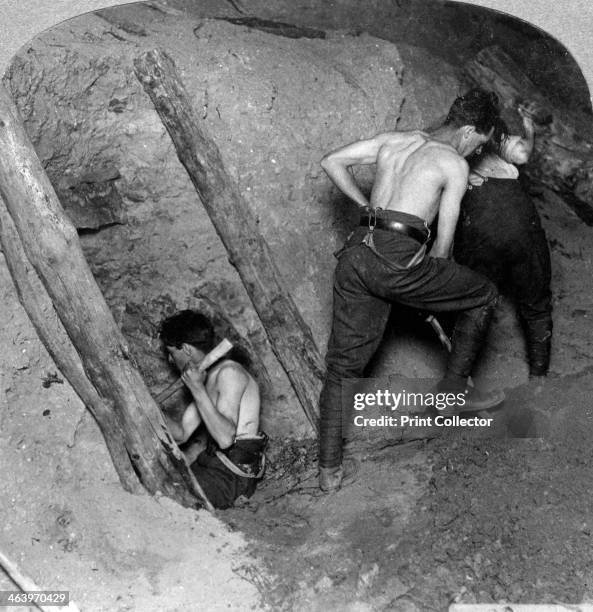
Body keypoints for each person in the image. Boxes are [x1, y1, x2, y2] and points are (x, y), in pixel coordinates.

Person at [318, 88, 505, 492]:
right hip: (399, 260)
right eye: (479, 142)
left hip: (356, 252)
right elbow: (442, 250)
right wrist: (430, 292)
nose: (475, 151)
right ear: (470, 130)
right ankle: (452, 397)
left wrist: (366, 208)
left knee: (342, 367)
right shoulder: (452, 163)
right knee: (485, 295)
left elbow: (331, 162)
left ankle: (328, 470)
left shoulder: (396, 140)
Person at [454, 104, 552, 378]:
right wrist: (529, 127)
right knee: (537, 303)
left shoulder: (454, 141)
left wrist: (529, 128)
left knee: (475, 306)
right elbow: (522, 154)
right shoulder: (493, 135)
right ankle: (539, 379)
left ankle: (455, 388)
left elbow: (521, 153)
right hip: (518, 222)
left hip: (481, 227)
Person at [159, 310, 266, 509]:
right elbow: (181, 434)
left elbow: (226, 438)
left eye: (172, 352)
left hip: (232, 474)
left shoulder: (229, 373)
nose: (171, 360)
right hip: (211, 463)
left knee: (172, 502)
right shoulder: (206, 378)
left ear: (187, 349)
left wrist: (197, 389)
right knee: (162, 487)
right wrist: (151, 408)